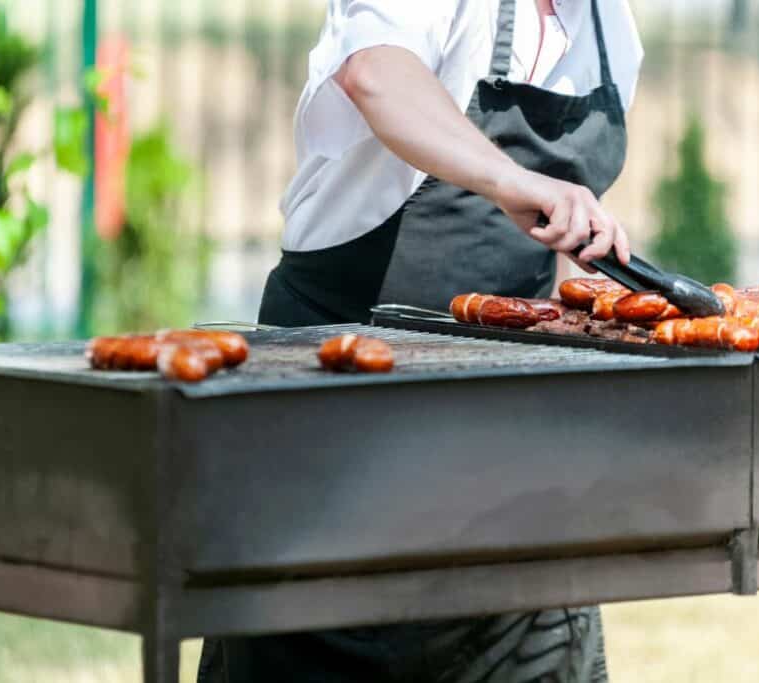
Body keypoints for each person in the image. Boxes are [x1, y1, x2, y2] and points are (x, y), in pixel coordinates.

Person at [199, 0, 643, 680]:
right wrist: (510, 180)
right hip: (336, 404)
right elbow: (376, 74)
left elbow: (538, 247)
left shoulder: (612, 30)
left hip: (497, 423)